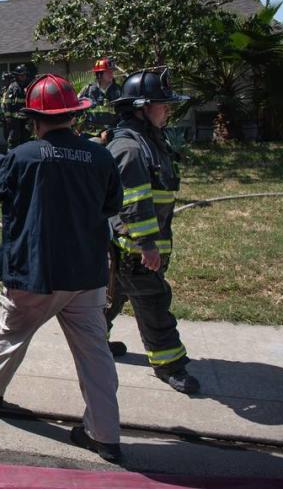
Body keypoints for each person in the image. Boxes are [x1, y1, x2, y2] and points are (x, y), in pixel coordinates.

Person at [0, 73, 124, 462]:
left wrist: (7, 157)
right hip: (86, 274)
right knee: (95, 353)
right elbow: (111, 207)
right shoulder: (101, 156)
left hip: (36, 273)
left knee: (12, 333)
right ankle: (105, 436)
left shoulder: (22, 156)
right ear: (73, 115)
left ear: (34, 118)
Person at [105, 68, 200, 395]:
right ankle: (170, 364)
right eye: (162, 104)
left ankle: (92, 341)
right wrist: (147, 245)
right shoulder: (130, 148)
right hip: (133, 249)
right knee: (154, 303)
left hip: (132, 247)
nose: (168, 109)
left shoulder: (149, 141)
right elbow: (134, 203)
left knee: (109, 300)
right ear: (141, 107)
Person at [79, 57, 123, 141]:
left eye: (112, 71)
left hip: (113, 134)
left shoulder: (119, 91)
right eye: (108, 72)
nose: (111, 74)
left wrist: (109, 131)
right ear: (99, 74)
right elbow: (77, 112)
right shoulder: (87, 91)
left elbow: (123, 116)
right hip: (90, 134)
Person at [0, 63, 33, 149]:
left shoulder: (28, 86)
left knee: (25, 138)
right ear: (17, 76)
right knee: (14, 138)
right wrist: (8, 117)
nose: (23, 77)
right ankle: (11, 155)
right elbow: (6, 102)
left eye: (24, 75)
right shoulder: (13, 87)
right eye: (21, 75)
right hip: (15, 118)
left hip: (26, 118)